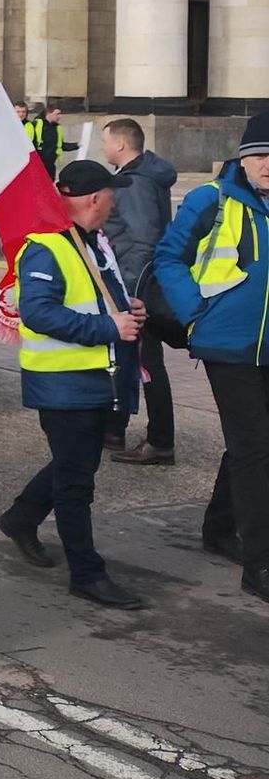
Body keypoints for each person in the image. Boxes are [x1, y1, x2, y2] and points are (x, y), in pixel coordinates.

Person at [0, 160, 147, 609]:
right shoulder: (47, 246)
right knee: (77, 480)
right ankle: (86, 573)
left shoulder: (91, 241)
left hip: (96, 379)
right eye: (111, 196)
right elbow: (39, 313)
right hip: (64, 383)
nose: (114, 203)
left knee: (74, 464)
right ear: (94, 199)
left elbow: (97, 297)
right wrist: (108, 327)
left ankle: (21, 518)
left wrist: (127, 307)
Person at [153, 113, 269, 605]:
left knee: (251, 445)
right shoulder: (212, 200)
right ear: (244, 158)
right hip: (227, 345)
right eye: (261, 155)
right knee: (257, 447)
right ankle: (260, 562)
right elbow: (167, 259)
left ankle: (220, 527)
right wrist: (195, 313)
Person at [100, 118, 178, 464]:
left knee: (147, 362)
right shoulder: (142, 177)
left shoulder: (134, 184)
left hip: (138, 289)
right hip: (140, 283)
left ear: (119, 144)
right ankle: (114, 428)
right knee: (131, 359)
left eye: (105, 141)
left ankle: (160, 441)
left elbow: (145, 242)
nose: (103, 148)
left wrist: (129, 295)